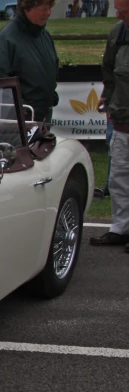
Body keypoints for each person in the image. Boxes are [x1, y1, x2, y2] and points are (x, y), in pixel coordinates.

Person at [90, 0, 129, 248]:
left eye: (124, 10)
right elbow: (108, 70)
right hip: (122, 120)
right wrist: (108, 102)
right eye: (118, 9)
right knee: (118, 177)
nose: (118, 14)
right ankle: (120, 228)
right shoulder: (117, 32)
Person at [0, 0, 59, 126]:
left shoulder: (44, 35)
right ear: (27, 9)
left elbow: (51, 68)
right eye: (43, 9)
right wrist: (21, 111)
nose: (48, 13)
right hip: (20, 121)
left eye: (50, 8)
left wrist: (51, 96)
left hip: (42, 116)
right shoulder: (7, 39)